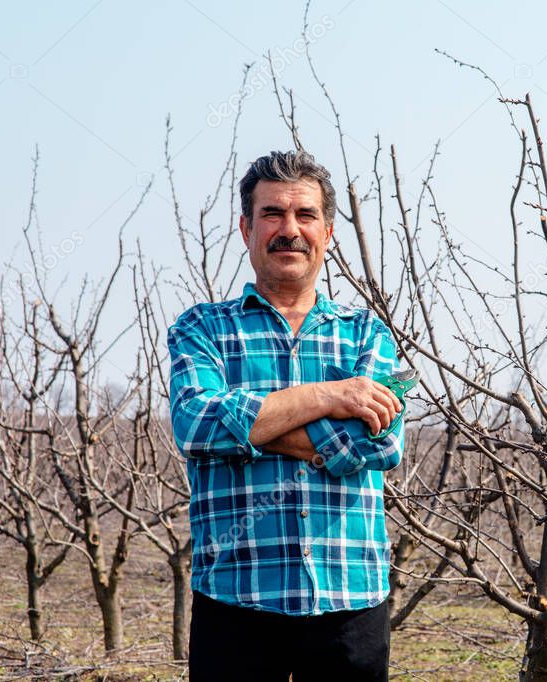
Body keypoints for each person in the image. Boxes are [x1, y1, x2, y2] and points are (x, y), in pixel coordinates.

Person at [168, 149, 404, 681]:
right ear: (246, 227)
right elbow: (197, 424)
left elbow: (379, 446)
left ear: (328, 231)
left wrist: (248, 428)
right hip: (235, 602)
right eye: (272, 214)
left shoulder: (366, 332)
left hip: (349, 599)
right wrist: (332, 397)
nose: (289, 229)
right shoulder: (202, 329)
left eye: (305, 215)